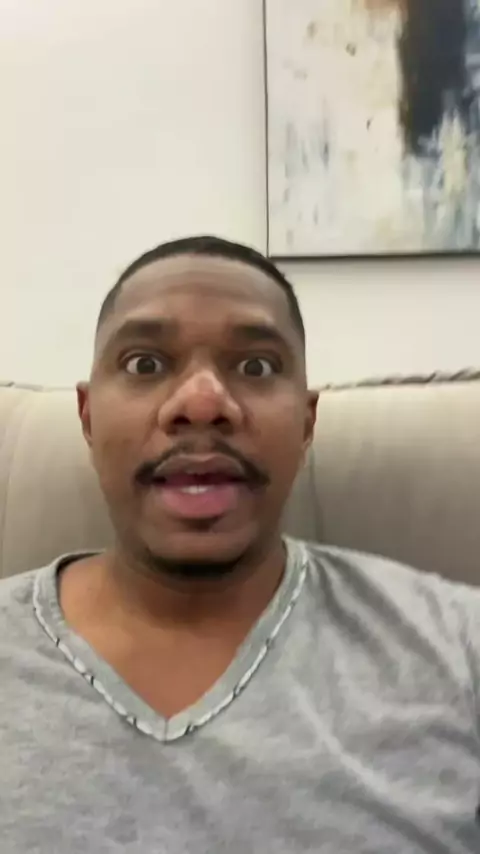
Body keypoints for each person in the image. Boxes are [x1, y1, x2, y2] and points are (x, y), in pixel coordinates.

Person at [1, 235, 480, 854]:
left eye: (255, 367)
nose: (202, 403)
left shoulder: (457, 648)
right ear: (88, 417)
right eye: (145, 364)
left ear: (306, 423)